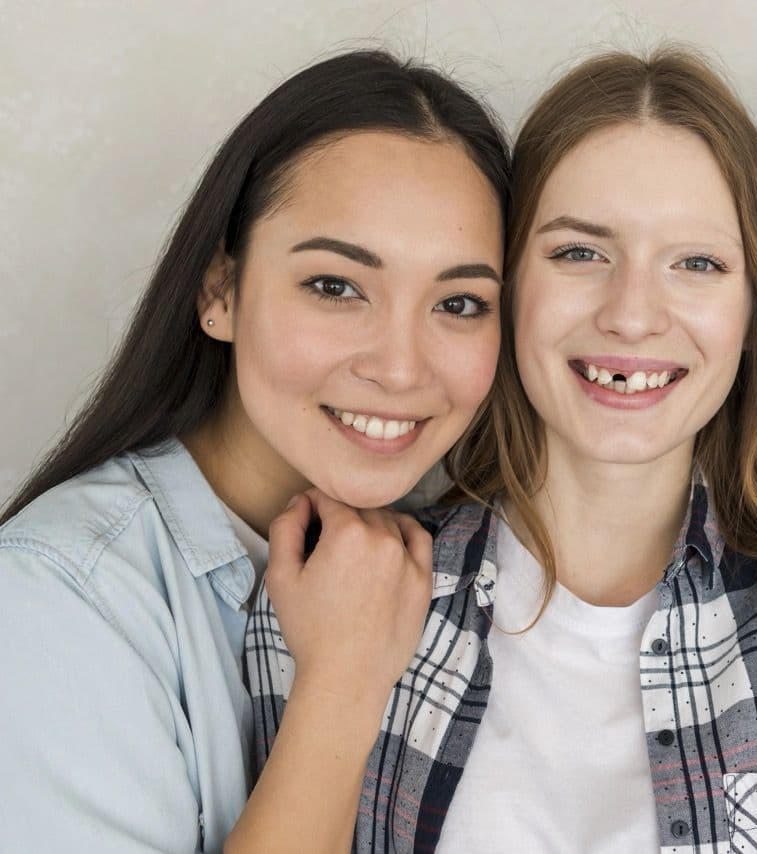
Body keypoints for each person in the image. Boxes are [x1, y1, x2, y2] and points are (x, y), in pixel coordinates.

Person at [249, 47, 757, 853]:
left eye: (698, 263)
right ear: (506, 287)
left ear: (753, 311)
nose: (632, 315)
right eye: (579, 252)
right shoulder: (340, 586)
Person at [0, 50, 508, 852]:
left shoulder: (476, 573)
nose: (401, 367)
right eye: (336, 286)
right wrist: (342, 684)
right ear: (220, 293)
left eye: (459, 302)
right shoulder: (58, 601)